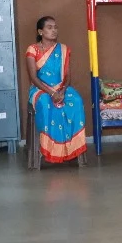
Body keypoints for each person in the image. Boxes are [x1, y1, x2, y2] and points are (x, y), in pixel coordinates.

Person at [24, 16, 87, 165]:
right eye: (49, 27)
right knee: (46, 103)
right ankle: (50, 148)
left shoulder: (63, 49)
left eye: (55, 27)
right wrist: (52, 93)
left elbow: (68, 76)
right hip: (40, 89)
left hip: (61, 88)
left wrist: (63, 91)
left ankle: (72, 148)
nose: (54, 30)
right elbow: (33, 78)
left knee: (76, 100)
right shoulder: (32, 49)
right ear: (40, 31)